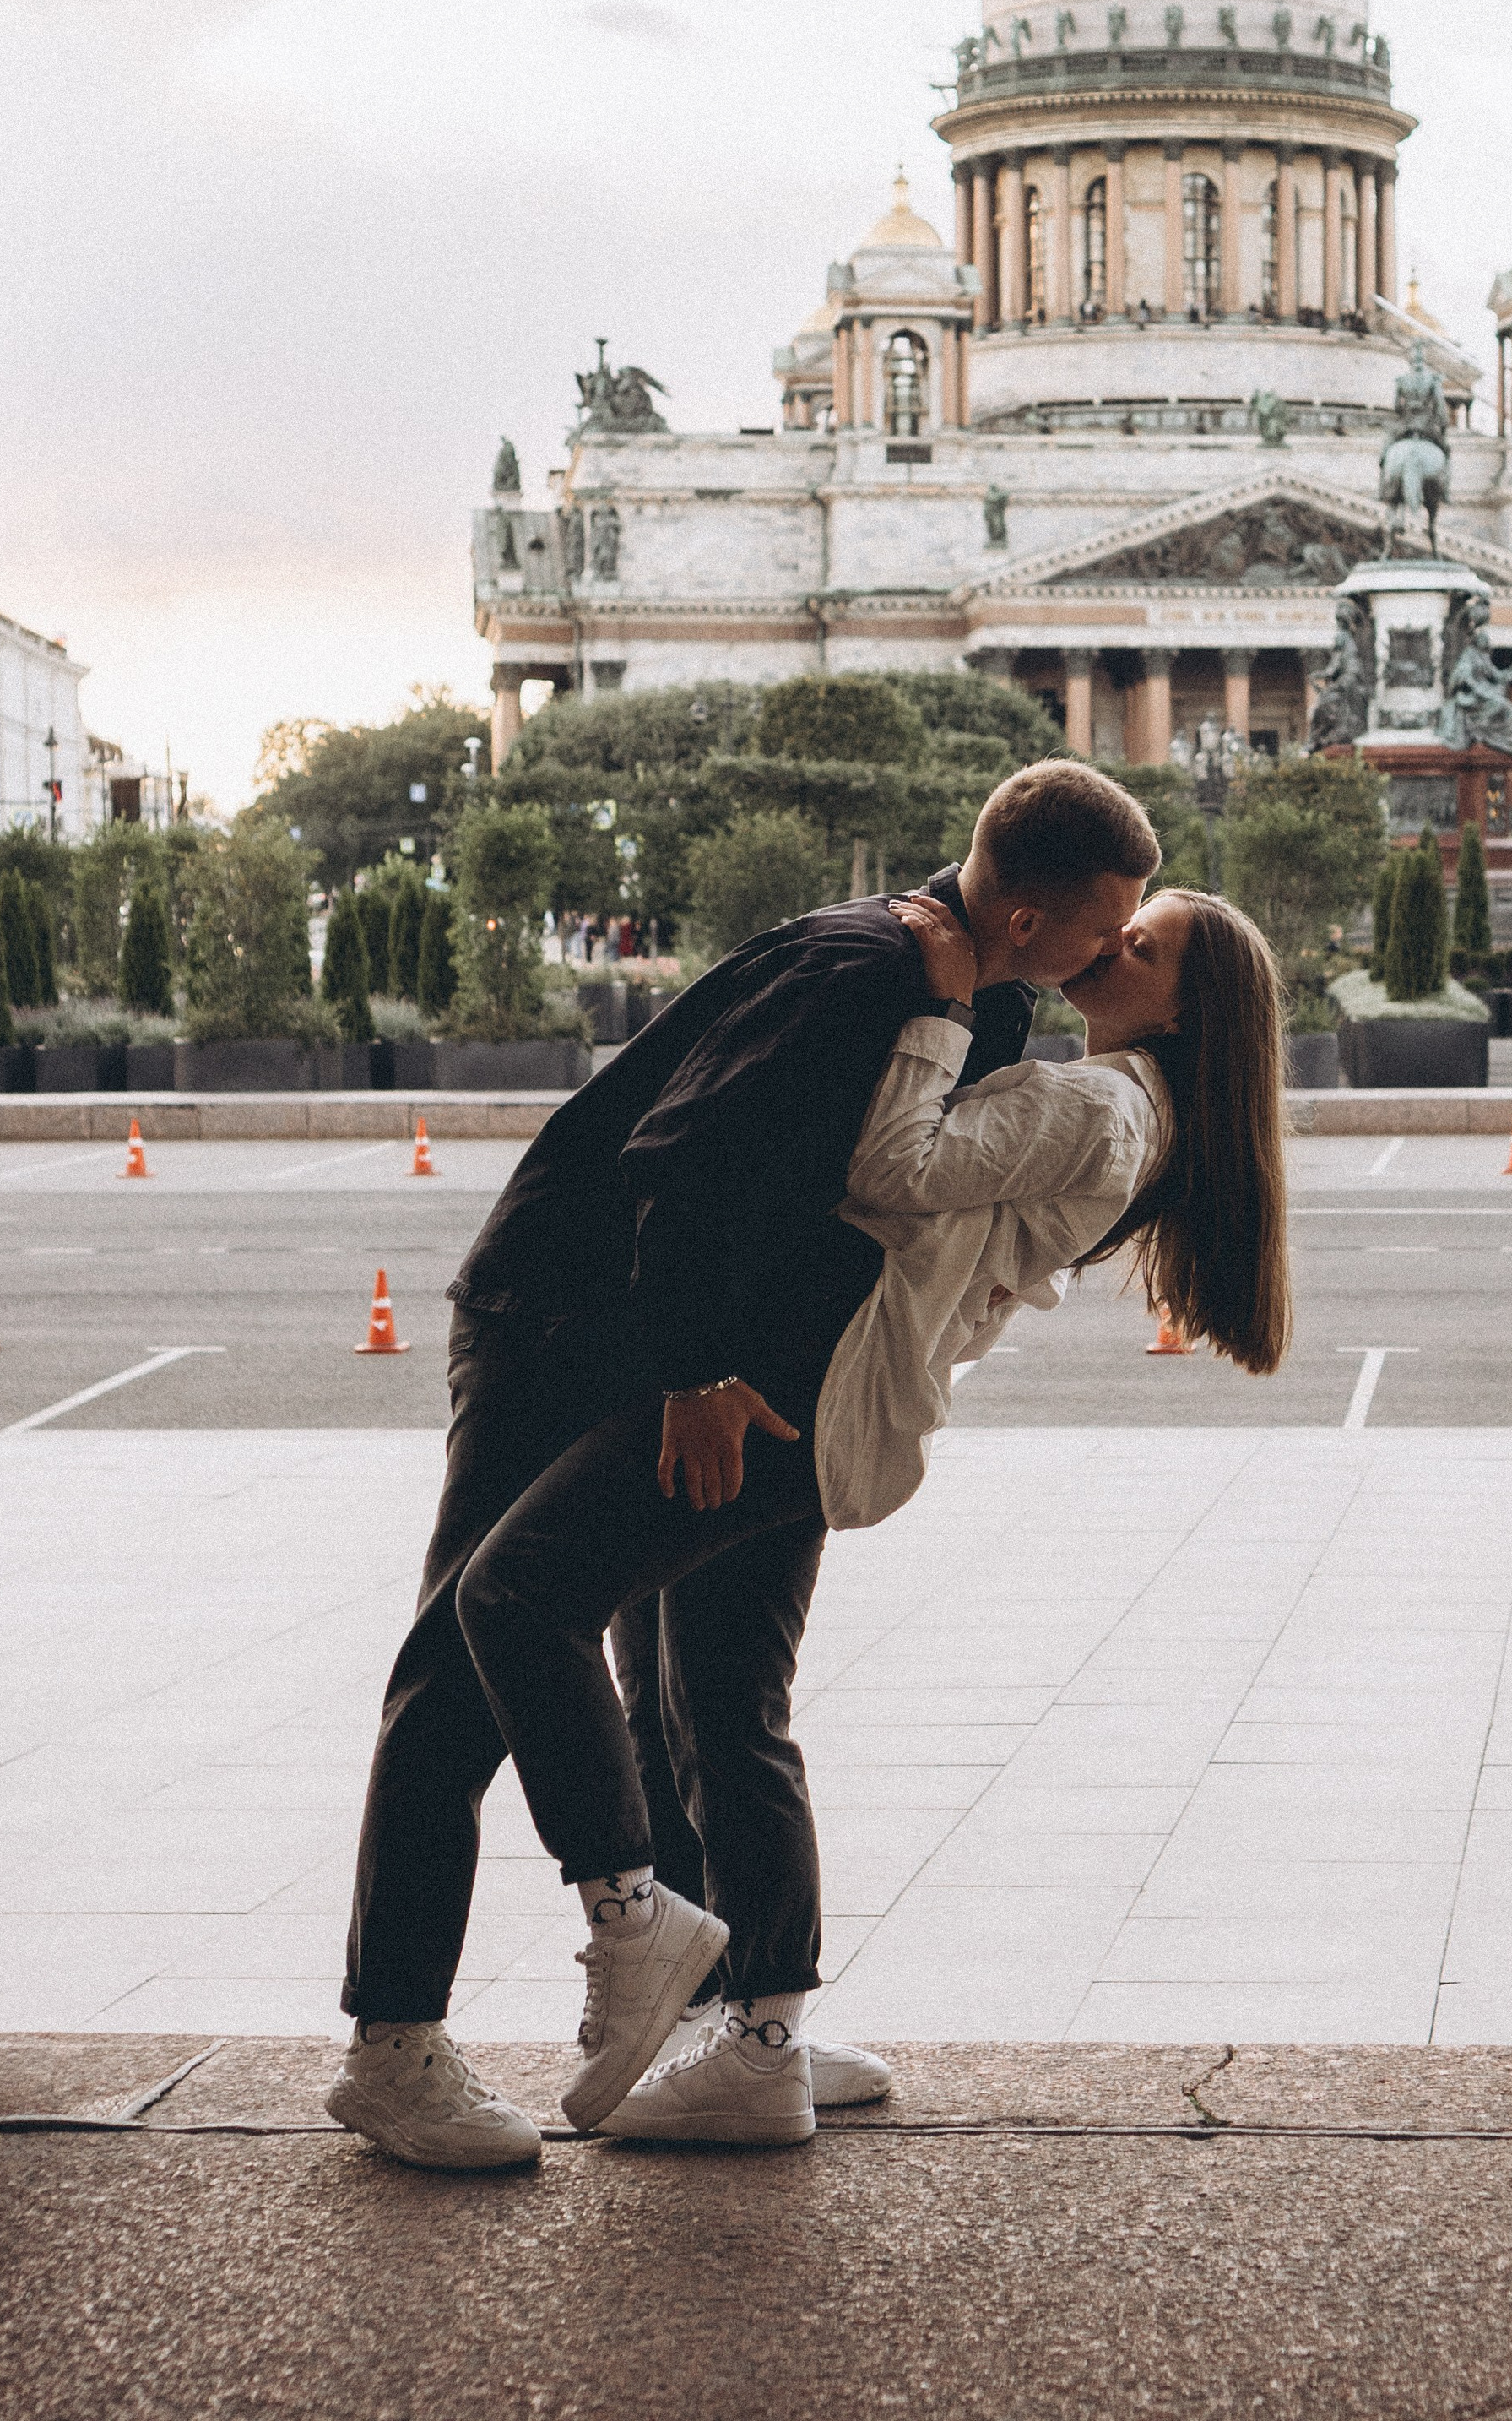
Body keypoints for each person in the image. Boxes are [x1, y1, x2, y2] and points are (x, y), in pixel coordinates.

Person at [323, 759, 1162, 2173]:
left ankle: (737, 2022)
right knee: (464, 1660)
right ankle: (393, 2044)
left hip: (734, 1364)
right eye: (1102, 929)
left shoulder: (991, 993)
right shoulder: (859, 968)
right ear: (1027, 917)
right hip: (568, 1313)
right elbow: (677, 1156)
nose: (1109, 957)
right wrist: (698, 1374)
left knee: (712, 1683)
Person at [545, 878, 1291, 2147]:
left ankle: (761, 2033)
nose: (1112, 945)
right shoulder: (1116, 1096)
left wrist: (940, 1014)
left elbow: (900, 1164)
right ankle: (741, 2018)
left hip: (808, 1391)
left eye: (1145, 945)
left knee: (714, 1703)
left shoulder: (1105, 1101)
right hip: (818, 1383)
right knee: (685, 1692)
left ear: (1190, 1006)